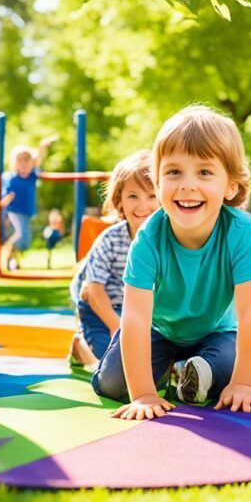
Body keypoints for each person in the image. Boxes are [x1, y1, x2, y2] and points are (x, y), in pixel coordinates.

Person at [91, 105, 251, 420]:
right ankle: (161, 373)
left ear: (231, 184)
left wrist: (244, 384)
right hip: (158, 330)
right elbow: (134, 318)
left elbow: (249, 314)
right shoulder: (149, 238)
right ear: (158, 181)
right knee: (111, 385)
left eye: (204, 172)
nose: (187, 185)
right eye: (174, 172)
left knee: (229, 375)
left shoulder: (240, 230)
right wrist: (144, 395)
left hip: (218, 331)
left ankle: (194, 374)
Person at [68, 150, 158, 370]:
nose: (142, 205)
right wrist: (116, 326)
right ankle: (81, 347)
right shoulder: (110, 239)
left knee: (150, 360)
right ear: (119, 200)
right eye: (133, 196)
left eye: (151, 196)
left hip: (140, 312)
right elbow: (93, 290)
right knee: (116, 362)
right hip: (100, 309)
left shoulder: (167, 240)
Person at [0, 136, 57, 271]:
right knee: (20, 234)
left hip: (26, 210)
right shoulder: (12, 178)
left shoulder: (32, 176)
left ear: (31, 162)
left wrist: (42, 147)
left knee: (25, 240)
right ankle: (8, 251)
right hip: (14, 211)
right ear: (15, 163)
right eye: (20, 161)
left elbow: (39, 159)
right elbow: (7, 194)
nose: (24, 163)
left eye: (27, 160)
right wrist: (4, 202)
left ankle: (13, 258)